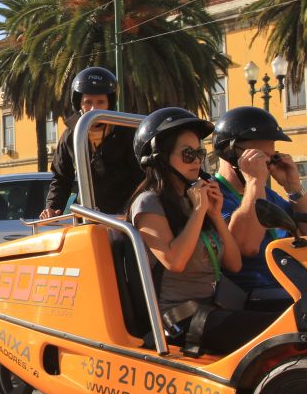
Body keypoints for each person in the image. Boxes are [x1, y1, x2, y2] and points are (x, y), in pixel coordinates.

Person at [128, 107, 277, 355]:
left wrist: (215, 216)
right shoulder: (148, 203)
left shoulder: (194, 199)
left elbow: (234, 263)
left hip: (214, 308)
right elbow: (174, 261)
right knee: (275, 333)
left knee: (293, 319)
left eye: (199, 153)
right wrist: (198, 212)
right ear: (159, 157)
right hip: (178, 319)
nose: (197, 160)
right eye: (188, 154)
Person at [211, 106, 307, 296]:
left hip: (290, 290)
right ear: (230, 153)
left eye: (272, 158)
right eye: (260, 157)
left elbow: (305, 233)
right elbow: (247, 246)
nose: (268, 165)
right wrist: (255, 181)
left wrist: (294, 188)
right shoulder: (213, 193)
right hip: (256, 297)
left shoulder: (268, 195)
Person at [40, 67, 142, 218]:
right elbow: (61, 178)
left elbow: (142, 177)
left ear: (110, 103)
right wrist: (53, 208)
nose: (94, 108)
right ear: (78, 103)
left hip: (124, 218)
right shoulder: (70, 136)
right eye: (88, 102)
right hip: (87, 217)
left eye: (101, 102)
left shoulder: (126, 132)